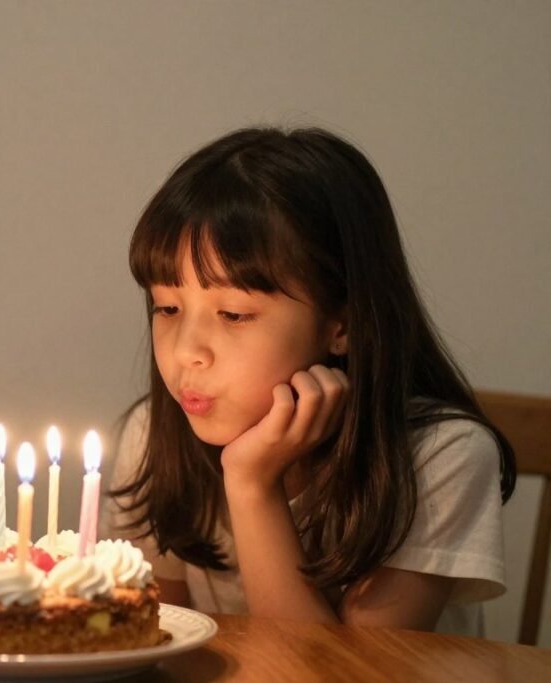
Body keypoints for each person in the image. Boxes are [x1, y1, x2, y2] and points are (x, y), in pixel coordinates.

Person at [108, 126, 516, 636]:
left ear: (339, 326)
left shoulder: (441, 457)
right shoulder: (154, 434)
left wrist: (252, 485)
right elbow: (153, 644)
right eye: (167, 306)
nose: (186, 351)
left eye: (233, 314)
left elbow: (343, 678)